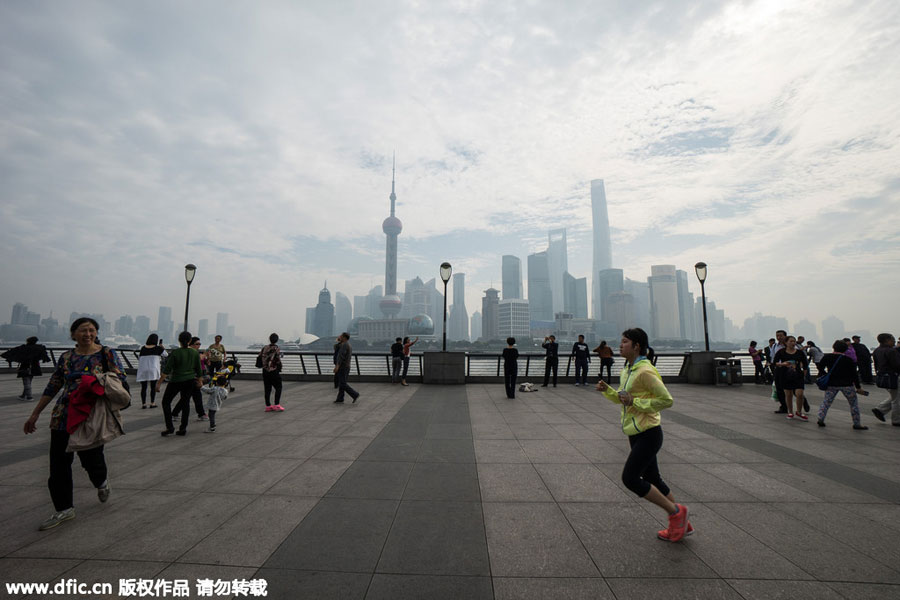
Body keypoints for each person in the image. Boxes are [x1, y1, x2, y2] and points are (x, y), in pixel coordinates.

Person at [23, 317, 127, 531]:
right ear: (73, 334)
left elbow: (120, 377)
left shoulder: (106, 353)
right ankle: (64, 508)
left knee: (91, 459)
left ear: (96, 333)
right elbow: (54, 385)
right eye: (82, 330)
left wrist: (96, 379)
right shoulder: (66, 357)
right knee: (58, 464)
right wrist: (34, 414)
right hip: (64, 413)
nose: (87, 334)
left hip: (91, 414)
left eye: (91, 330)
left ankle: (101, 481)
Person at [594, 328, 691, 542]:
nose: (620, 345)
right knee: (652, 477)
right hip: (635, 431)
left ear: (637, 346)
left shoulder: (645, 370)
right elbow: (625, 398)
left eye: (625, 342)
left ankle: (676, 514)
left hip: (649, 432)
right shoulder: (628, 369)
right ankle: (682, 521)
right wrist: (609, 391)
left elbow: (666, 400)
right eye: (621, 341)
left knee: (630, 478)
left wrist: (635, 402)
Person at [156, 331, 203, 436]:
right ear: (190, 340)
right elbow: (199, 369)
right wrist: (200, 381)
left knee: (166, 402)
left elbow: (167, 370)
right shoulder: (195, 353)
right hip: (190, 381)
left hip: (176, 380)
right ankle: (183, 428)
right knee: (185, 403)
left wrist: (158, 383)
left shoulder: (176, 353)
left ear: (179, 340)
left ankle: (170, 427)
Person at [816, 340, 868, 429]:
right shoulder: (848, 360)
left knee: (826, 402)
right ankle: (857, 423)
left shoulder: (827, 357)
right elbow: (854, 374)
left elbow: (820, 367)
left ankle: (821, 418)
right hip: (847, 385)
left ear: (834, 347)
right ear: (845, 349)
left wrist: (825, 374)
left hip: (832, 384)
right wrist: (858, 387)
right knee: (853, 404)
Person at [2, 336, 50, 401]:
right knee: (29, 381)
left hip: (25, 366)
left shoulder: (24, 348)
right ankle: (23, 395)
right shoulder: (39, 348)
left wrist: (8, 357)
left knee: (26, 381)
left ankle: (29, 397)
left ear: (28, 341)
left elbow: (11, 352)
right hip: (35, 366)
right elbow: (45, 357)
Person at [774, 336, 809, 420]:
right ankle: (790, 412)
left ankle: (799, 412)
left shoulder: (800, 353)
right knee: (788, 394)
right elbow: (775, 362)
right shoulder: (781, 352)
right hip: (785, 376)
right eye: (791, 341)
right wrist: (783, 364)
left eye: (794, 341)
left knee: (799, 394)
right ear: (786, 343)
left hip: (798, 376)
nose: (793, 343)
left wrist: (804, 374)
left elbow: (805, 364)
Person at [173, 337, 207, 422]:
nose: (198, 346)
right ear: (190, 345)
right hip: (188, 378)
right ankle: (201, 414)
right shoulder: (190, 353)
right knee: (188, 397)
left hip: (195, 378)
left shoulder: (196, 352)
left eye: (200, 344)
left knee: (194, 396)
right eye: (197, 344)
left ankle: (201, 414)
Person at [871, 333, 900, 426]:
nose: (894, 341)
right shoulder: (891, 351)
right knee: (897, 400)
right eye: (892, 339)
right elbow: (897, 365)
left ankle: (880, 409)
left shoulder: (877, 350)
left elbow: (876, 365)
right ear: (887, 340)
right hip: (894, 377)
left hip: (884, 377)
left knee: (895, 395)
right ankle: (896, 420)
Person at [134, 334, 166, 409]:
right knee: (153, 387)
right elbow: (166, 355)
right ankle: (152, 403)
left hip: (143, 369)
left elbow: (139, 358)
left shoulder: (143, 348)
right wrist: (161, 346)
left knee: (144, 387)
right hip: (153, 369)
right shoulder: (158, 348)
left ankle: (144, 404)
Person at [259, 333, 284, 412]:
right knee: (279, 387)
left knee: (267, 388)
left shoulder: (264, 347)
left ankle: (268, 406)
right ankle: (277, 404)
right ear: (277, 340)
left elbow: (260, 356)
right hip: (273, 370)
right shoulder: (276, 348)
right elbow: (277, 360)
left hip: (265, 371)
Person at [333, 332, 359, 403]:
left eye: (341, 336)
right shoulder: (348, 345)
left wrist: (337, 366)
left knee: (342, 383)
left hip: (343, 367)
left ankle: (355, 394)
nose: (340, 337)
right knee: (342, 383)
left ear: (344, 337)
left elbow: (341, 357)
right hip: (347, 366)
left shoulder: (344, 345)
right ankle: (340, 398)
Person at [770, 331, 788, 413]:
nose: (779, 337)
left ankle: (802, 400)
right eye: (777, 336)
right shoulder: (774, 346)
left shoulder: (791, 345)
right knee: (779, 388)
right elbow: (773, 358)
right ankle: (783, 406)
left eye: (781, 335)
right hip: (779, 368)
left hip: (789, 369)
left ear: (785, 336)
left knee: (793, 388)